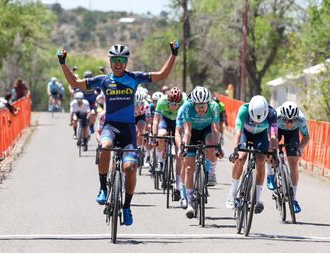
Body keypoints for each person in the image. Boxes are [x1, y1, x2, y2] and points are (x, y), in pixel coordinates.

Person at [58, 41, 180, 226]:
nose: (118, 62)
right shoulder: (103, 80)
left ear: (126, 61)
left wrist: (173, 54)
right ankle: (102, 189)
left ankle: (127, 206)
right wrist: (62, 63)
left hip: (128, 130)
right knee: (105, 147)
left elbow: (162, 75)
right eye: (115, 59)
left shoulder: (134, 78)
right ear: (110, 61)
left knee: (130, 168)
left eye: (122, 59)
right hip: (111, 127)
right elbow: (75, 83)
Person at [227, 95, 277, 214]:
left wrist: (274, 151)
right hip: (245, 133)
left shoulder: (272, 114)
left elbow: (274, 135)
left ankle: (258, 199)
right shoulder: (244, 110)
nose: (256, 122)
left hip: (261, 135)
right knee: (241, 157)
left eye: (259, 120)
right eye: (254, 119)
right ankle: (232, 193)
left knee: (261, 160)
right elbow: (237, 132)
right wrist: (235, 150)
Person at [179, 86, 222, 218]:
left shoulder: (214, 106)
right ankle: (190, 202)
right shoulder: (187, 107)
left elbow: (215, 129)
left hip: (207, 130)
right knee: (189, 168)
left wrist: (217, 147)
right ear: (194, 104)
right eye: (199, 106)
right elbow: (187, 130)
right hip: (192, 132)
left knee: (211, 145)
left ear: (208, 103)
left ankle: (212, 172)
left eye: (204, 106)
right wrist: (185, 147)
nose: (201, 109)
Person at [266, 101, 309, 213]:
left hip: (293, 134)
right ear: (282, 117)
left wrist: (300, 148)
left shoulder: (301, 119)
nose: (289, 123)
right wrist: (273, 147)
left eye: (292, 120)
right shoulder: (276, 116)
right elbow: (272, 135)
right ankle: (270, 174)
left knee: (293, 164)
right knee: (270, 150)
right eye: (286, 120)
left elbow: (306, 137)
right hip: (277, 131)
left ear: (296, 118)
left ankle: (293, 199)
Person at [152, 87, 185, 199]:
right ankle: (161, 162)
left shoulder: (185, 102)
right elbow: (156, 120)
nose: (174, 107)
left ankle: (177, 188)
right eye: (171, 104)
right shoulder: (161, 101)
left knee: (179, 155)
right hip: (165, 121)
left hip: (178, 122)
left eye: (177, 104)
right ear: (167, 100)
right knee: (161, 135)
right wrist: (154, 136)